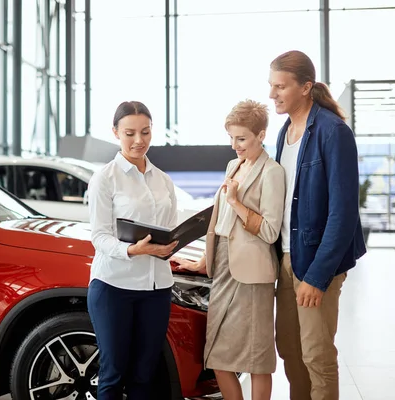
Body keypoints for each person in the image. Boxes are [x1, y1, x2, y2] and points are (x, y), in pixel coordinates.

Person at [269, 50, 367, 400]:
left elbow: (343, 214)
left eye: (280, 86)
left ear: (306, 87)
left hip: (314, 262)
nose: (272, 94)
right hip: (285, 257)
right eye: (271, 86)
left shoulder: (332, 131)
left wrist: (317, 276)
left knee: (316, 354)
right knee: (289, 350)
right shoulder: (285, 132)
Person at [171, 100, 285, 400]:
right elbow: (219, 222)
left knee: (257, 360)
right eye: (231, 138)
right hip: (222, 267)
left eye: (242, 138)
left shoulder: (272, 172)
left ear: (261, 135)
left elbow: (271, 230)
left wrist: (236, 201)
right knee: (218, 356)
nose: (235, 145)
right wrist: (205, 260)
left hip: (251, 275)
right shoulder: (233, 166)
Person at [86, 101, 179, 400]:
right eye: (130, 133)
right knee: (113, 372)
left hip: (157, 287)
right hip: (114, 286)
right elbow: (99, 237)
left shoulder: (163, 180)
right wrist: (132, 250)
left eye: (145, 132)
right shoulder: (105, 177)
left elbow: (170, 228)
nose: (139, 140)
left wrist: (172, 245)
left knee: (145, 374)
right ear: (115, 132)